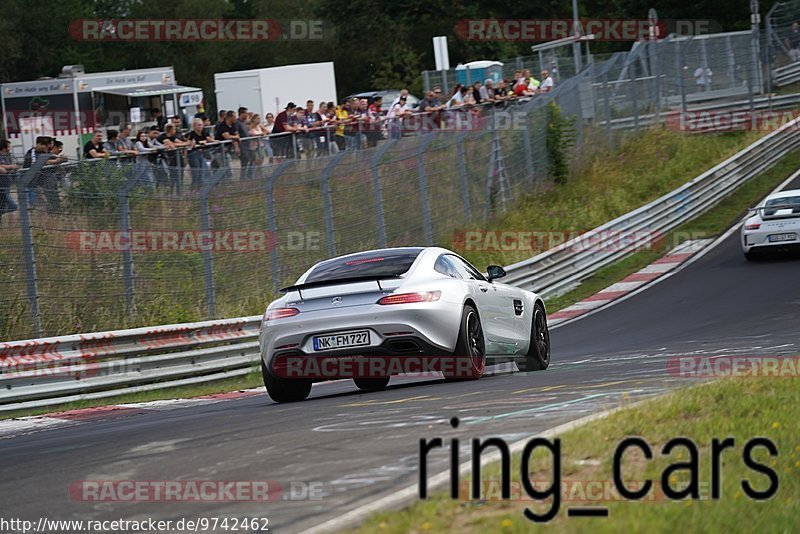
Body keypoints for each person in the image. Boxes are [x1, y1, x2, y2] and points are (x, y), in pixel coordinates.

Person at [186, 118, 216, 190]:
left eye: (201, 125)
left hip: (201, 154)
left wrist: (214, 140)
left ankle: (200, 189)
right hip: (193, 154)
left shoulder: (204, 132)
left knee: (202, 172)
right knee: (196, 173)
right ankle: (193, 190)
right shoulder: (192, 134)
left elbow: (208, 138)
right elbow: (190, 143)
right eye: (199, 125)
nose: (201, 126)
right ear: (194, 126)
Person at [0, 139, 19, 220]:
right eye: (8, 147)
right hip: (1, 188)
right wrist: (10, 167)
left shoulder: (8, 156)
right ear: (4, 148)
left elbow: (13, 166)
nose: (10, 148)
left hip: (6, 187)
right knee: (13, 206)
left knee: (3, 206)